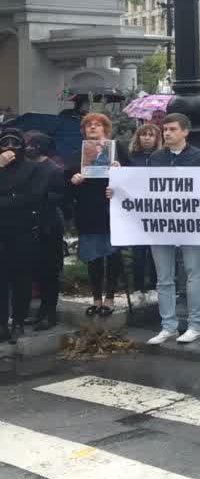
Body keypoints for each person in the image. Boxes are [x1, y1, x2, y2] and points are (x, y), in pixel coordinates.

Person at [138, 113, 200, 345]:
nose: (167, 133)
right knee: (164, 278)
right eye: (166, 129)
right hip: (162, 223)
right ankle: (168, 326)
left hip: (190, 223)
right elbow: (145, 188)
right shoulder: (156, 157)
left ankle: (195, 325)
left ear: (185, 132)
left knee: (194, 274)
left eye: (172, 129)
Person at [69, 113, 126, 319]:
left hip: (112, 210)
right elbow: (68, 188)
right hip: (88, 211)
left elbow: (132, 181)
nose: (93, 128)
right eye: (89, 125)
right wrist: (73, 180)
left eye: (98, 125)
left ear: (105, 129)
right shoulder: (79, 154)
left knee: (112, 255)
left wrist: (120, 172)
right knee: (93, 256)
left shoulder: (117, 151)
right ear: (84, 130)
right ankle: (96, 298)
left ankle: (109, 298)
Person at [0, 127, 53, 342]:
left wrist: (8, 198)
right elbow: (18, 197)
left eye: (15, 143)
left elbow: (31, 198)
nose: (10, 148)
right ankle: (2, 323)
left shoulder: (34, 169)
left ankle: (19, 321)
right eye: (5, 143)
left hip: (23, 230)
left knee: (22, 278)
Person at [23, 133, 65, 331]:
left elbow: (60, 197)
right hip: (30, 225)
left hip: (49, 225)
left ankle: (50, 313)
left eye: (33, 145)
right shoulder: (26, 167)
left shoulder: (54, 170)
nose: (29, 148)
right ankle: (39, 312)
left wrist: (39, 197)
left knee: (50, 272)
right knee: (37, 271)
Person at [124, 123, 161, 299]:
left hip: (157, 212)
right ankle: (138, 288)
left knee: (155, 251)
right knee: (138, 252)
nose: (147, 137)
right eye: (143, 134)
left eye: (151, 135)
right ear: (138, 137)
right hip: (136, 212)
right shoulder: (131, 157)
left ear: (157, 139)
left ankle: (154, 286)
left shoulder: (163, 158)